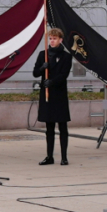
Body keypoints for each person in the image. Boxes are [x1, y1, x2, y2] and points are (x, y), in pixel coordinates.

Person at [32, 28, 73, 166]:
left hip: (59, 94)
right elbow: (35, 73)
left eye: (55, 39)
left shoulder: (66, 56)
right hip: (47, 94)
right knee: (49, 127)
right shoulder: (43, 54)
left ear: (60, 40)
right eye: (50, 38)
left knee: (62, 126)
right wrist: (43, 68)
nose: (52, 41)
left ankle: (64, 156)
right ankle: (49, 156)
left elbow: (64, 74)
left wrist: (53, 81)